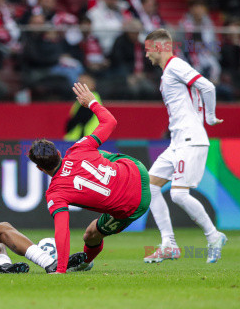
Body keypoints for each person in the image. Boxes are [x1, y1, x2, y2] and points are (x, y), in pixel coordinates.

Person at [28, 83, 151, 273]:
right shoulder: (77, 148)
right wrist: (92, 103)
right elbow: (110, 122)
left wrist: (60, 269)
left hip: (134, 204)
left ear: (39, 169)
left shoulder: (55, 194)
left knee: (91, 235)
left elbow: (62, 230)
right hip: (137, 169)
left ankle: (84, 264)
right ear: (58, 153)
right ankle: (83, 263)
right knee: (95, 153)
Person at [143, 29, 227, 264]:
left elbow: (208, 87)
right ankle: (168, 244)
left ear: (160, 47)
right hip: (178, 141)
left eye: (148, 48)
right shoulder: (169, 71)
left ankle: (213, 236)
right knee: (150, 187)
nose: (146, 54)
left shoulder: (176, 65)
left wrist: (210, 117)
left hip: (190, 140)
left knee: (179, 195)